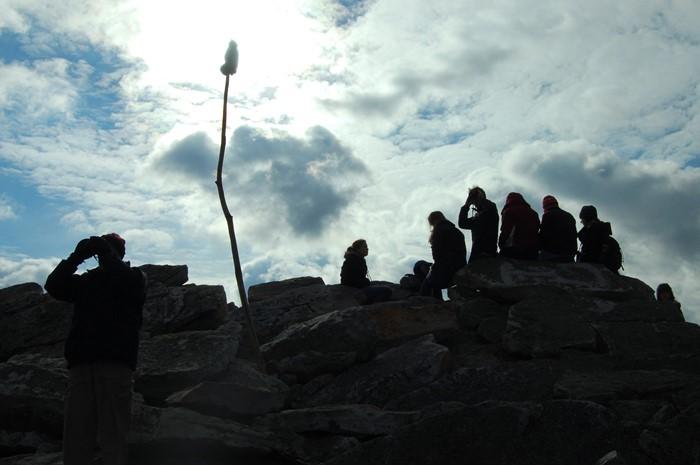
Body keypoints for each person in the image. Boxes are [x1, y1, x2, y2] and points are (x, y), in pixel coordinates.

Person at [44, 234, 147, 465]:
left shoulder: (134, 278)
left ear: (118, 254)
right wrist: (75, 257)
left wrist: (103, 252)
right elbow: (53, 285)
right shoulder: (87, 283)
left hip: (114, 364)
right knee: (76, 438)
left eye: (108, 250)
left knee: (112, 436)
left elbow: (121, 277)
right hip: (83, 365)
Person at [414, 211, 467, 300]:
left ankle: (423, 303)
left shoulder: (439, 231)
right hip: (460, 268)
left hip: (447, 272)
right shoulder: (457, 231)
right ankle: (437, 301)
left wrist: (432, 269)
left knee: (421, 269)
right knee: (431, 275)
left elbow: (437, 257)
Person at [340, 239, 392, 304]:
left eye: (367, 247)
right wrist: (365, 282)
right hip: (356, 289)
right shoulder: (352, 260)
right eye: (364, 247)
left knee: (383, 285)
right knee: (387, 290)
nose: (367, 249)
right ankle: (372, 306)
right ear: (358, 249)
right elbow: (347, 279)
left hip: (360, 287)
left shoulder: (358, 259)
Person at [458, 186, 499, 262]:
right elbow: (462, 223)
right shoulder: (477, 217)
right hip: (476, 255)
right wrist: (466, 206)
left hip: (488, 254)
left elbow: (489, 209)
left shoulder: (490, 208)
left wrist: (481, 199)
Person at [498, 192, 540, 260]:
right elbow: (536, 229)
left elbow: (506, 231)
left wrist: (501, 244)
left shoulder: (509, 211)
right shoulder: (534, 213)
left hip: (514, 249)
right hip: (533, 250)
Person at [538, 195, 577, 262]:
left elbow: (543, 236)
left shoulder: (547, 216)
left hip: (552, 254)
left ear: (545, 207)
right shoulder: (569, 216)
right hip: (569, 254)